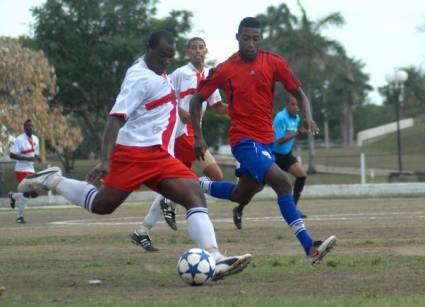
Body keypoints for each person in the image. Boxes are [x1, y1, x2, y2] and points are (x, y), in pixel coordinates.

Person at [18, 30, 251, 281]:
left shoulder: (157, 71)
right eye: (162, 56)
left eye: (169, 57)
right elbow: (114, 119)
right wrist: (106, 160)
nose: (166, 62)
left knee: (194, 194)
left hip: (160, 156)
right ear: (148, 49)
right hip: (134, 154)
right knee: (102, 205)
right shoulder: (139, 78)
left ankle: (214, 258)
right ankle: (53, 180)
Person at [190, 17, 336, 265]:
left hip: (265, 141)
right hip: (244, 141)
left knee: (242, 195)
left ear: (261, 39)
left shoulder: (274, 62)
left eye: (255, 39)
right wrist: (198, 135)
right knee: (282, 182)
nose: (251, 43)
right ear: (237, 37)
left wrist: (307, 118)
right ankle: (310, 247)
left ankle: (195, 184)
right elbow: (196, 100)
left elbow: (299, 93)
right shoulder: (225, 69)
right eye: (246, 38)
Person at [131, 37, 228, 252]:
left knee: (172, 186)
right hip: (181, 134)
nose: (197, 51)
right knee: (217, 176)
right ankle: (173, 203)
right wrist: (179, 110)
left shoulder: (211, 75)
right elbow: (166, 96)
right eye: (193, 48)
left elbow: (218, 106)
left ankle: (142, 231)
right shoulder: (180, 74)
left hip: (194, 132)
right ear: (187, 52)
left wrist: (240, 109)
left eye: (201, 47)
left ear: (206, 51)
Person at [273, 97, 308, 218]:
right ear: (286, 104)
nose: (296, 108)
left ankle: (293, 209)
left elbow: (291, 137)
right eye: (293, 104)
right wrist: (298, 133)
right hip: (273, 155)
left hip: (286, 156)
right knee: (257, 186)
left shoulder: (296, 118)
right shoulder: (280, 118)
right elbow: (280, 140)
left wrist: (292, 146)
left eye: (297, 105)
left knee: (301, 175)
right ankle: (239, 209)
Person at [8, 119, 40, 224]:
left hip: (31, 169)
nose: (30, 128)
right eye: (28, 126)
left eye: (31, 126)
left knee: (34, 194)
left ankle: (13, 196)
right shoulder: (19, 139)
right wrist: (26, 159)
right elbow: (12, 155)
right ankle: (19, 217)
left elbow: (35, 154)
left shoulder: (36, 139)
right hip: (21, 169)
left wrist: (37, 158)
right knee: (26, 193)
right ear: (24, 128)